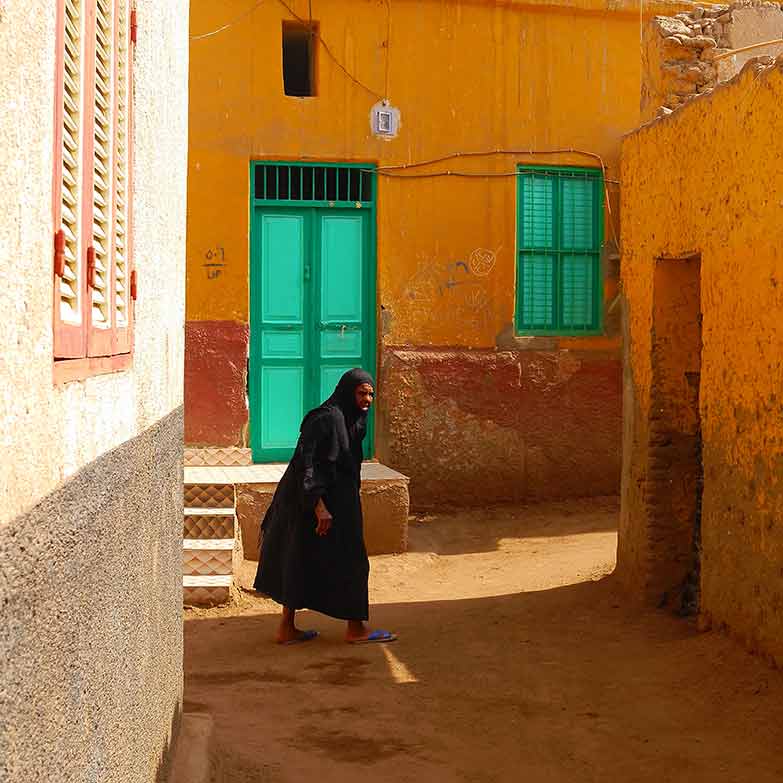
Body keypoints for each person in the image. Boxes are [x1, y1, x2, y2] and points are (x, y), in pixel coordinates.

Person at [254, 368, 397, 646]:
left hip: (334, 500)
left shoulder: (354, 420)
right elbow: (306, 464)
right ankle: (354, 629)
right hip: (309, 500)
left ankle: (289, 628)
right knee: (343, 558)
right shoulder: (327, 419)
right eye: (361, 393)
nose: (367, 399)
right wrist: (318, 507)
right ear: (348, 392)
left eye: (370, 394)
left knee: (308, 557)